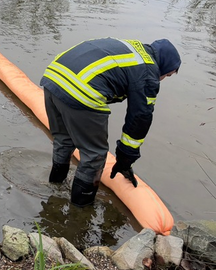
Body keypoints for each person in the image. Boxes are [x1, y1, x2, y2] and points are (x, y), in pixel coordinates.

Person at [40, 37, 181, 207]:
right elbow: (140, 117)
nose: (163, 79)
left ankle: (54, 187)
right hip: (81, 90)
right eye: (168, 74)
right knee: (95, 154)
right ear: (164, 65)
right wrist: (125, 159)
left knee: (64, 140)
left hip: (53, 77)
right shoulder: (148, 72)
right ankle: (80, 210)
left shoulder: (133, 48)